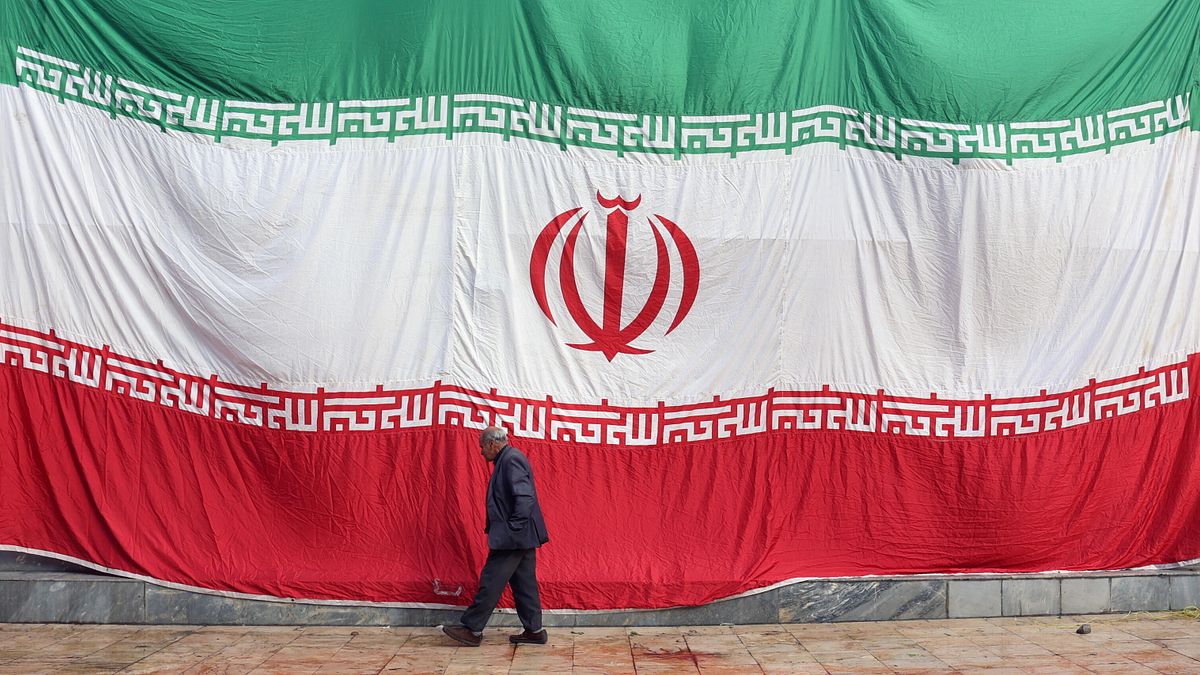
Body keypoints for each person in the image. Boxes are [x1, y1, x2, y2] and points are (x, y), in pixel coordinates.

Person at [442, 426, 550, 647]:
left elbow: (525, 498)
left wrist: (513, 528)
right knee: (524, 584)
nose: (481, 451)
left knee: (491, 580)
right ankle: (535, 631)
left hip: (514, 536)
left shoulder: (511, 460)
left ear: (492, 444)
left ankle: (472, 629)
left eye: (482, 446)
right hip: (522, 535)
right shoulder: (507, 459)